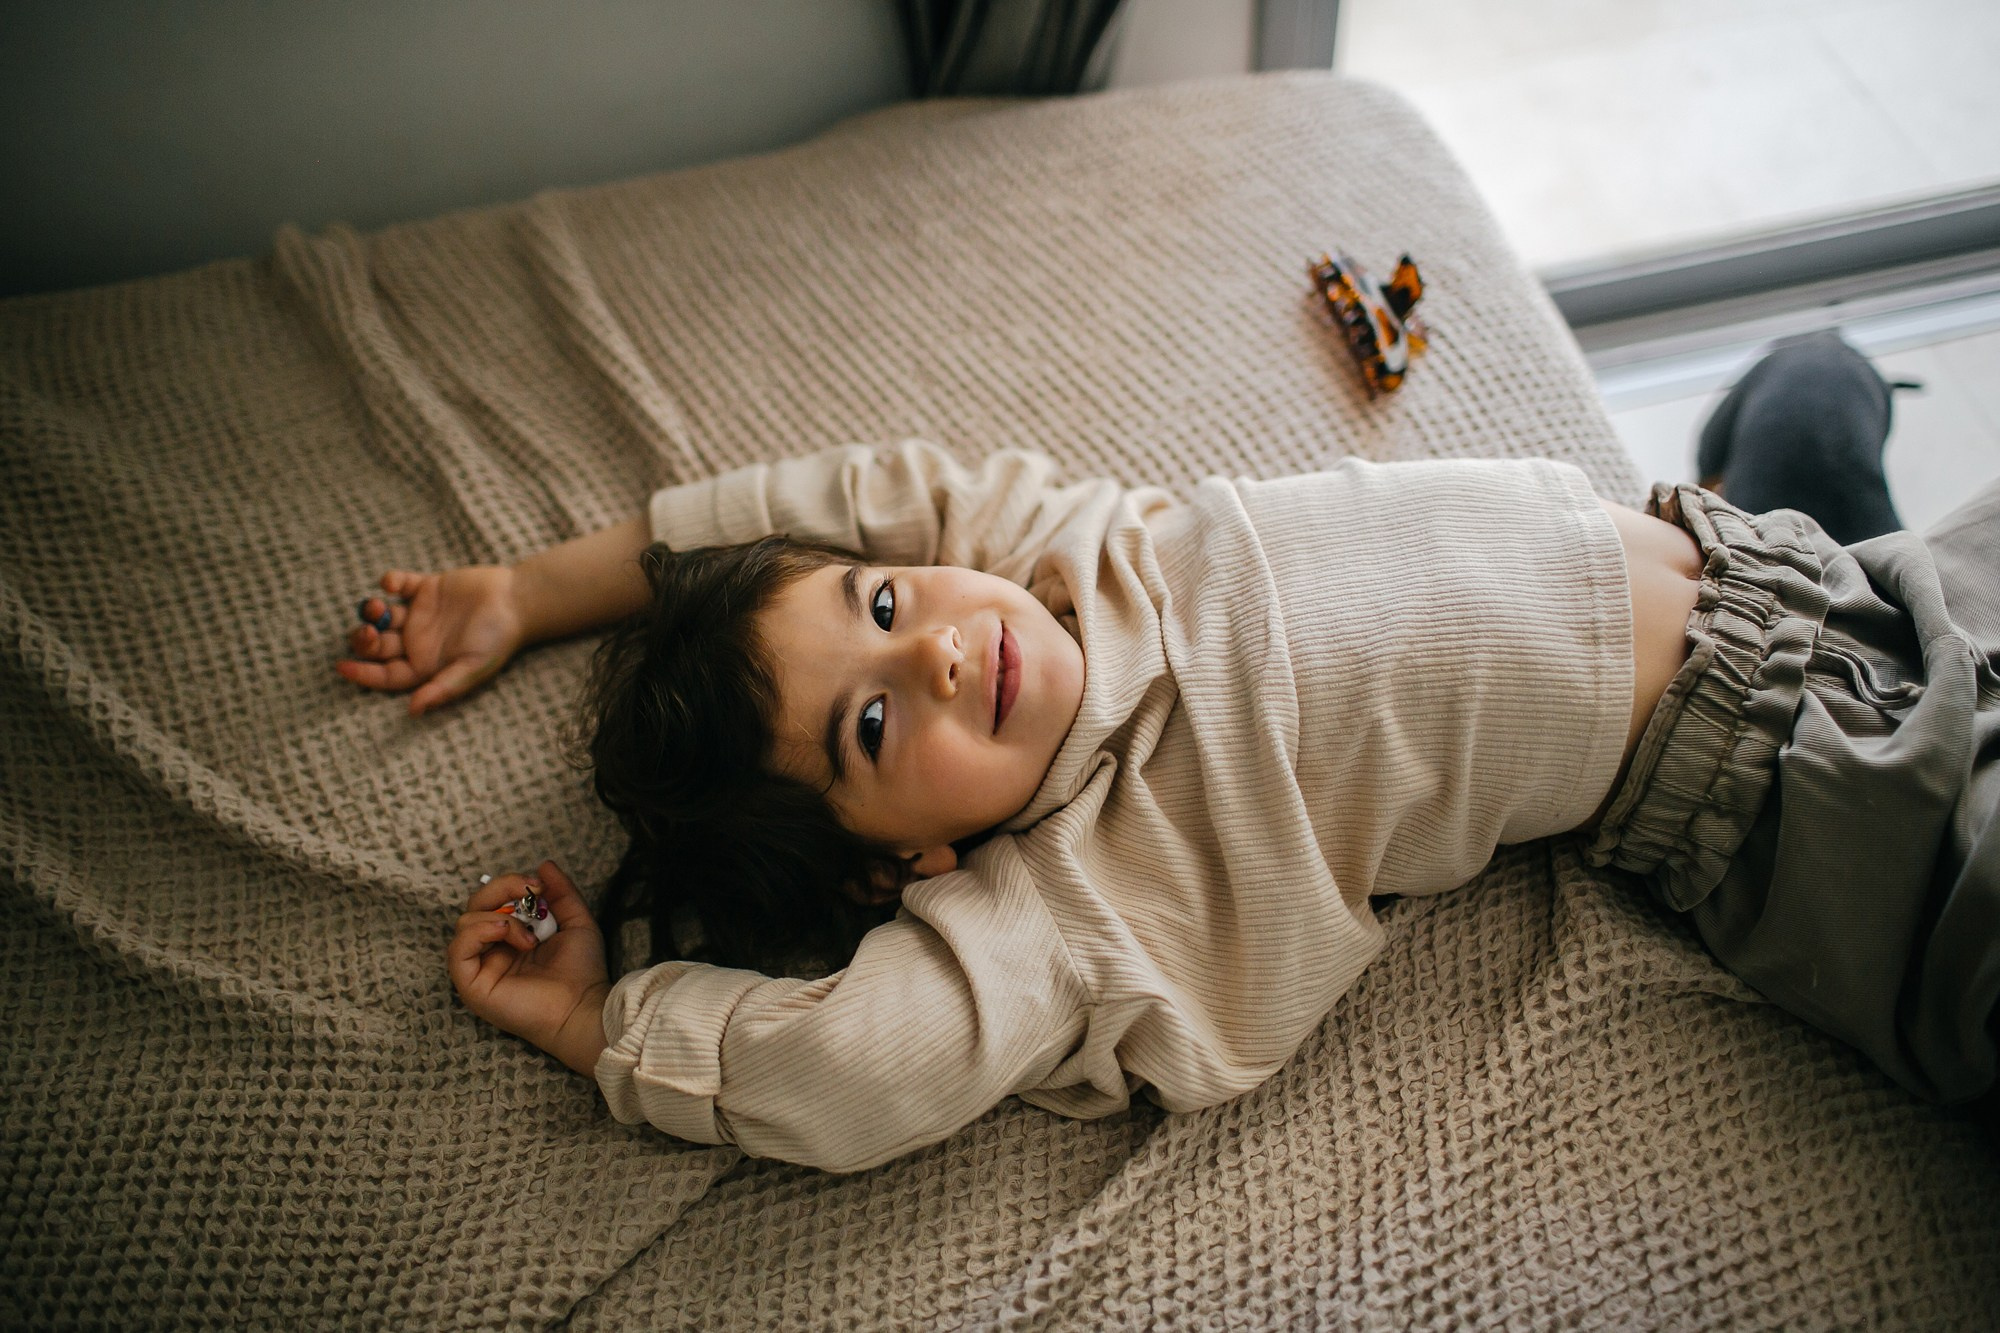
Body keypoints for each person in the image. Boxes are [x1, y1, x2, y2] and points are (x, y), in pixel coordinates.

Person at [340, 381, 1998, 1174]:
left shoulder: (1070, 551)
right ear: (892, 867)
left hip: (1797, 578)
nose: (933, 656)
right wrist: (593, 1021)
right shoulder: (1069, 898)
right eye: (872, 733)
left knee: (1864, 470)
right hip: (1796, 791)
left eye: (888, 607)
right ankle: (1811, 410)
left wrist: (537, 590)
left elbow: (842, 491)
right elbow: (844, 1065)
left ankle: (1801, 428)